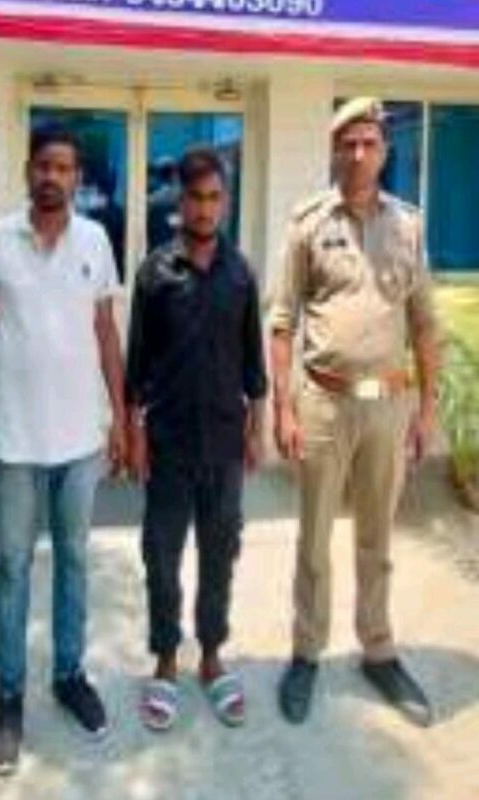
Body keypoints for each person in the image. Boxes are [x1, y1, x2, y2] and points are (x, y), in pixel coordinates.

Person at [0, 123, 127, 776]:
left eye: (64, 168)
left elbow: (106, 334)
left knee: (75, 561)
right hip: (14, 442)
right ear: (28, 170)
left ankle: (68, 674)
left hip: (80, 442)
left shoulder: (95, 240)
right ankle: (9, 694)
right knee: (12, 567)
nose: (53, 177)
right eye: (43, 165)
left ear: (77, 179)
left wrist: (121, 419)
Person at [270, 97, 439, 727]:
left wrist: (426, 410)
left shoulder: (408, 226)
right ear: (335, 151)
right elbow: (282, 320)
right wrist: (284, 408)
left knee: (377, 538)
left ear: (385, 151)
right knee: (313, 539)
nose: (360, 154)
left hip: (387, 406)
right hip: (323, 403)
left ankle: (379, 650)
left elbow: (424, 325)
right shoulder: (308, 224)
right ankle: (306, 653)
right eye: (349, 144)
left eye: (370, 143)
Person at [126, 147, 267, 732]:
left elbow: (253, 362)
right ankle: (165, 659)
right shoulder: (155, 273)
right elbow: (137, 365)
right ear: (179, 202)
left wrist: (258, 428)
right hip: (170, 442)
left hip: (226, 442)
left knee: (220, 552)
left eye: (214, 198)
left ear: (225, 202)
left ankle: (211, 658)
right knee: (161, 555)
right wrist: (134, 434)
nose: (205, 209)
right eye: (195, 198)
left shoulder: (241, 274)